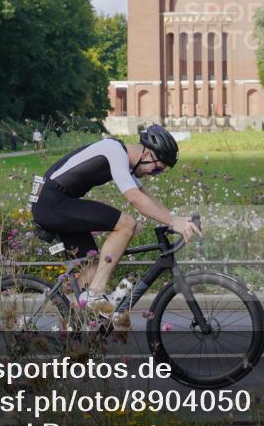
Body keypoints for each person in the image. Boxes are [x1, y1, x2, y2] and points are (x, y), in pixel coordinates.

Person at [30, 124, 201, 314]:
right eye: (157, 170)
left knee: (93, 266)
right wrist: (171, 221)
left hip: (54, 203)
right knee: (126, 224)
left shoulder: (122, 158)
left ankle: (72, 321)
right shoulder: (114, 151)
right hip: (52, 203)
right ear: (146, 156)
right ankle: (95, 294)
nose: (154, 175)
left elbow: (144, 193)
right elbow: (134, 198)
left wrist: (175, 218)